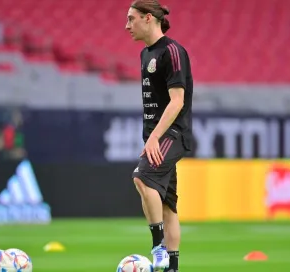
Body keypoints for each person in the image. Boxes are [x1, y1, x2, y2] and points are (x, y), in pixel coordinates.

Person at [125, 0, 193, 271]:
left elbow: (177, 102)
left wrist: (154, 138)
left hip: (173, 133)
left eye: (131, 19)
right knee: (168, 206)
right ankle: (172, 268)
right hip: (156, 135)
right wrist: (151, 136)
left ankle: (158, 248)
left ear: (148, 19)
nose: (127, 25)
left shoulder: (173, 51)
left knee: (142, 177)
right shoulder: (145, 54)